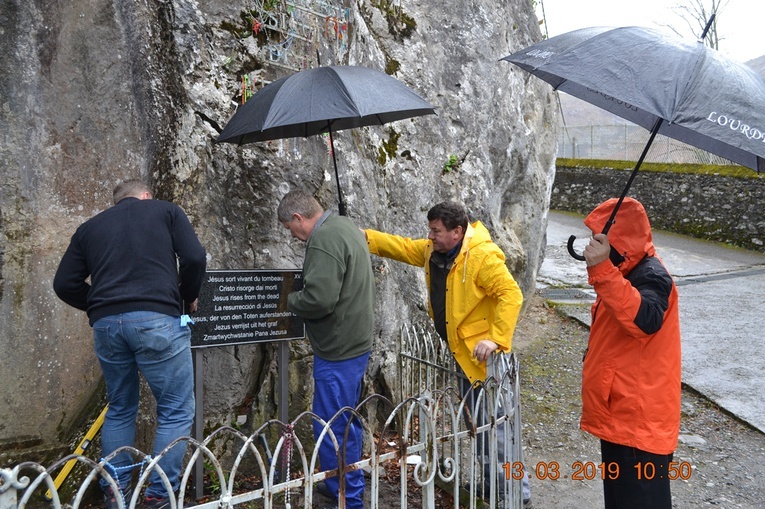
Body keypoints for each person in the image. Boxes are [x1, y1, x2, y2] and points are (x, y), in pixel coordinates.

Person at [364, 201, 531, 508]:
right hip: (464, 354)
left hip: (486, 357)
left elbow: (511, 294)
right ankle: (491, 484)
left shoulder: (482, 255)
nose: (431, 236)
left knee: (499, 428)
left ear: (457, 231)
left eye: (436, 230)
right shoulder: (433, 251)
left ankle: (516, 496)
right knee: (477, 424)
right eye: (430, 229)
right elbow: (400, 247)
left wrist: (496, 339)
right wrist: (363, 237)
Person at [53, 179, 206, 509]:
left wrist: (99, 305)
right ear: (146, 196)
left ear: (117, 202)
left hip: (107, 327)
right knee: (176, 410)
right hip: (158, 320)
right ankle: (158, 496)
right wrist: (187, 295)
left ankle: (116, 493)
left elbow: (64, 283)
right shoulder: (166, 211)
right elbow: (194, 257)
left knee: (121, 407)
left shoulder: (89, 229)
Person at [580, 197, 681, 509]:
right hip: (620, 415)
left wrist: (602, 269)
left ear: (618, 237)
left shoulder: (651, 275)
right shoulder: (626, 270)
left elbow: (645, 318)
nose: (593, 241)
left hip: (637, 423)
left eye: (601, 234)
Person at [277, 190, 375, 509]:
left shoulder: (322, 240)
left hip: (338, 347)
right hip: (355, 342)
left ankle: (348, 496)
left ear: (299, 218)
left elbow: (320, 299)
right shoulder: (345, 225)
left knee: (332, 424)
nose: (292, 236)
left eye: (290, 228)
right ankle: (339, 484)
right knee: (346, 419)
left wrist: (288, 300)